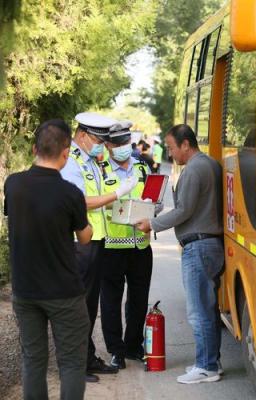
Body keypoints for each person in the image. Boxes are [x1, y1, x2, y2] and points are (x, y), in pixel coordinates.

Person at [4, 120, 93, 400]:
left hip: (25, 290)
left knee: (33, 360)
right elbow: (85, 238)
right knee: (72, 362)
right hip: (64, 292)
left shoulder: (13, 184)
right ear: (66, 153)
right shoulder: (71, 193)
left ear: (34, 149)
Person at [136, 124, 224, 384]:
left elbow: (184, 210)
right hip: (210, 244)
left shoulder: (195, 169)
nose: (170, 153)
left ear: (186, 144)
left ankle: (206, 366)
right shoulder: (210, 164)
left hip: (198, 246)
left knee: (199, 311)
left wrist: (152, 224)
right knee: (208, 309)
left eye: (172, 147)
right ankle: (211, 362)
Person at [60, 112, 138, 382]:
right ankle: (75, 365)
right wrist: (117, 193)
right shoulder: (72, 161)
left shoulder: (91, 160)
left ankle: (87, 357)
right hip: (80, 243)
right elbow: (79, 201)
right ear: (82, 135)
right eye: (98, 140)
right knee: (79, 306)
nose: (102, 145)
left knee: (90, 305)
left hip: (96, 240)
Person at [99, 121, 156, 369]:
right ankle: (116, 351)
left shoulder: (142, 168)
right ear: (108, 146)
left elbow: (156, 200)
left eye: (125, 142)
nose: (122, 147)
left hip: (141, 246)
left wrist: (152, 207)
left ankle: (133, 346)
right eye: (117, 143)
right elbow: (96, 203)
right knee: (110, 301)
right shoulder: (100, 170)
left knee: (139, 300)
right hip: (112, 246)